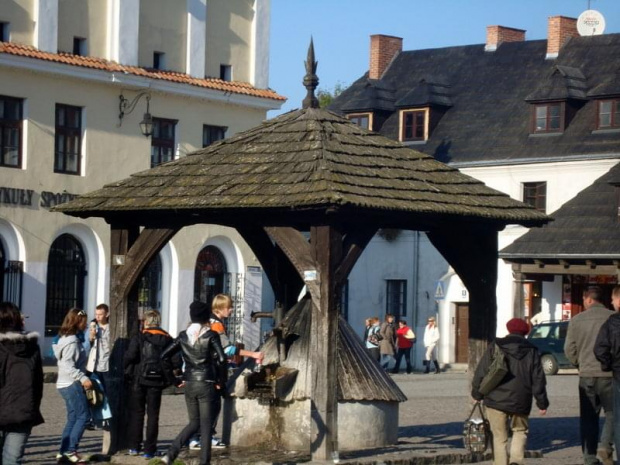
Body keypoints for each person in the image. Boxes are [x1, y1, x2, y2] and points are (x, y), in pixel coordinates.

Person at [472, 318, 549, 465]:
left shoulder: (496, 345)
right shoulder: (532, 350)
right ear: (525, 332)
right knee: (520, 431)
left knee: (499, 437)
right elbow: (538, 379)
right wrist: (542, 403)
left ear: (509, 329)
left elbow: (481, 370)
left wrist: (477, 393)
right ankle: (516, 462)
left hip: (495, 399)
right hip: (521, 399)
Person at [159, 301, 227, 465]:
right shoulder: (211, 335)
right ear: (206, 317)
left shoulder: (183, 336)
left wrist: (174, 380)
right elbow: (223, 358)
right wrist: (221, 381)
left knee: (194, 422)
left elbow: (164, 356)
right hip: (206, 382)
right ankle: (204, 462)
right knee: (205, 425)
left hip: (189, 382)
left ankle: (170, 454)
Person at [195, 294, 263, 449]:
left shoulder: (207, 322)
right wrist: (253, 354)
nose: (231, 310)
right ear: (220, 308)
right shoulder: (217, 325)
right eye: (229, 307)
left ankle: (196, 437)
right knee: (213, 404)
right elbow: (227, 348)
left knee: (201, 407)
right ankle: (207, 437)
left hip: (201, 368)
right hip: (212, 370)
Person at [565, 286, 614, 465]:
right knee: (613, 413)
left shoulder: (577, 320)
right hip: (609, 374)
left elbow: (569, 349)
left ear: (588, 299)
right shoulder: (613, 318)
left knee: (588, 417)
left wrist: (579, 363)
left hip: (586, 374)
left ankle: (589, 457)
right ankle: (606, 445)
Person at [124, 310, 181, 458]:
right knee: (153, 415)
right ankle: (150, 450)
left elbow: (130, 356)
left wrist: (124, 366)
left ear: (145, 322)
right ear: (159, 322)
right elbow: (176, 361)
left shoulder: (139, 337)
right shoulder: (167, 339)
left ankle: (134, 447)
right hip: (157, 381)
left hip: (139, 379)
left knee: (137, 413)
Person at [0, 302, 44, 464]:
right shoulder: (32, 347)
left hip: (17, 411)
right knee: (12, 460)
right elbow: (38, 383)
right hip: (23, 412)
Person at [53, 308, 92, 464]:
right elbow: (68, 364)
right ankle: (70, 450)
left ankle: (63, 451)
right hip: (71, 382)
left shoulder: (64, 338)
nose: (86, 323)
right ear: (78, 321)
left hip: (63, 383)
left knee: (73, 417)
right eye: (84, 320)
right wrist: (82, 378)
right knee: (84, 416)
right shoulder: (72, 341)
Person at [593, 285, 620, 465]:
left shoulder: (612, 322)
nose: (611, 301)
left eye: (613, 298)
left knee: (619, 421)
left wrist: (608, 365)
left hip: (619, 374)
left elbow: (600, 349)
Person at [88, 303, 110, 389]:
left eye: (100, 314)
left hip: (106, 365)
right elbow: (87, 346)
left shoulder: (110, 328)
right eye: (96, 314)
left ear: (107, 314)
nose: (97, 317)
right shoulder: (93, 326)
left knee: (107, 390)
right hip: (94, 365)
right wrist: (91, 337)